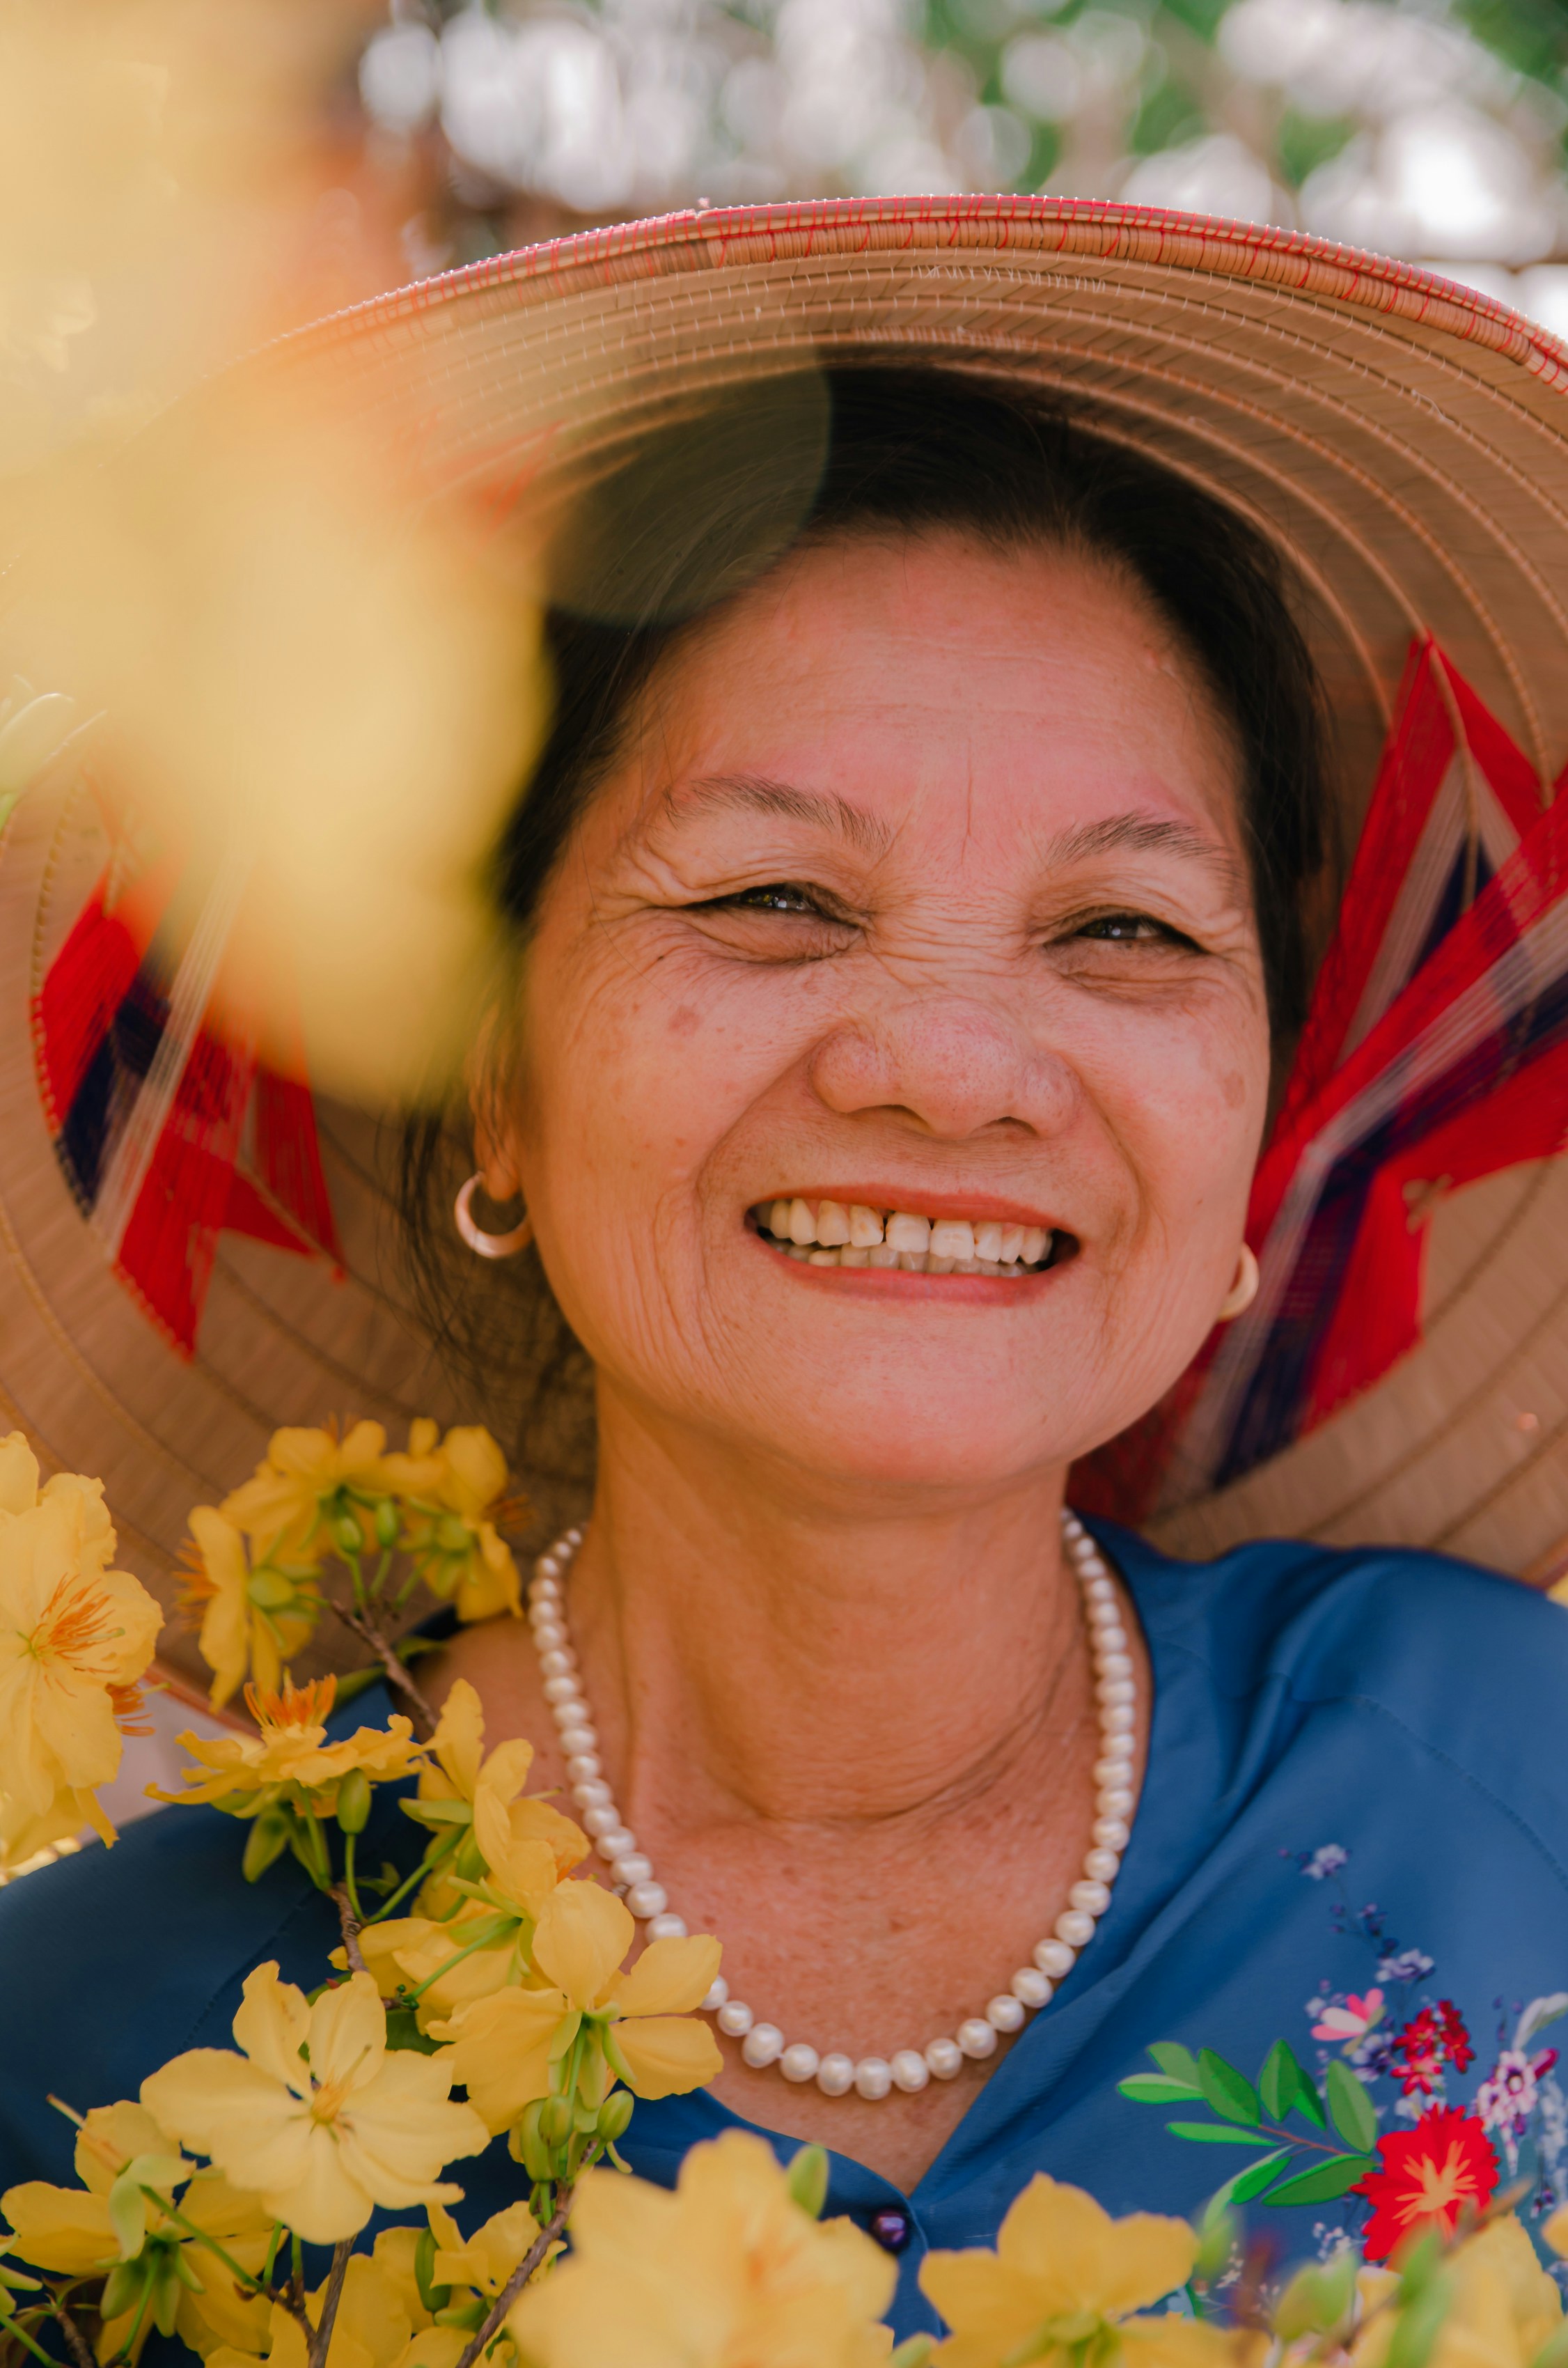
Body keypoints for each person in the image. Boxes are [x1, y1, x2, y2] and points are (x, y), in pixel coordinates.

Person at [5, 204, 1568, 2345]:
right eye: (767, 896)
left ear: (1250, 1158)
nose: (943, 1069)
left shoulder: (1503, 1775)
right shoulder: (92, 2064)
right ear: (499, 1090)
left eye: (1123, 932)